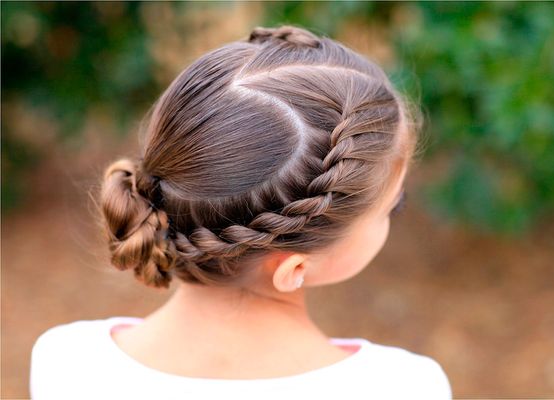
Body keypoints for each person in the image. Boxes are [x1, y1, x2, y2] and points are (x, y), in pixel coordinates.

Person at [29, 25, 452, 399]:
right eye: (391, 206)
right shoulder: (403, 386)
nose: (393, 213)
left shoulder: (67, 361)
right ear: (293, 269)